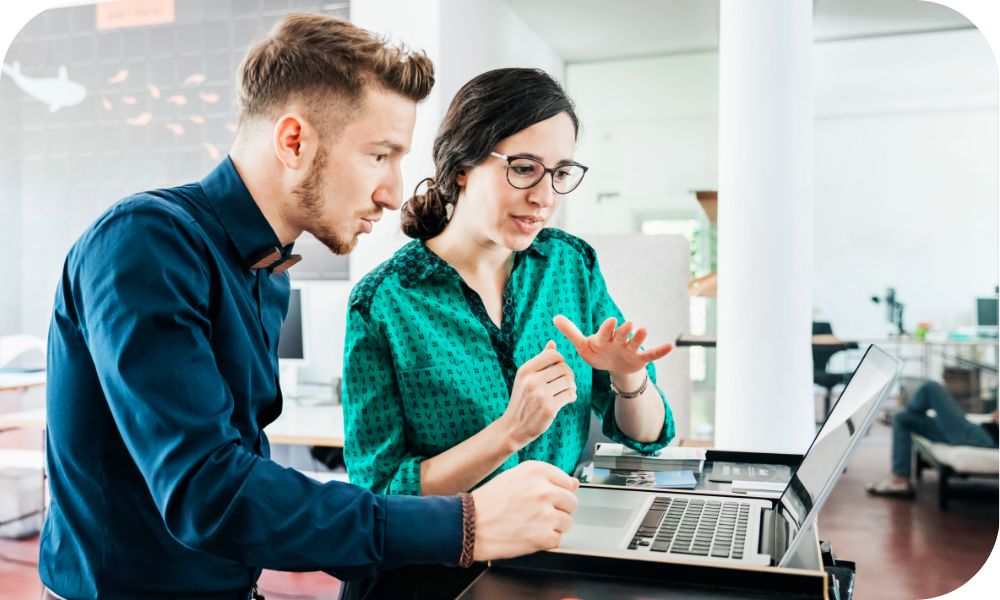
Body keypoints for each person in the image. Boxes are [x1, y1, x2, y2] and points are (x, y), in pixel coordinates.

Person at [40, 14, 579, 600]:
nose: (395, 191)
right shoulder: (144, 242)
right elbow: (207, 490)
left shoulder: (267, 271)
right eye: (381, 155)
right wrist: (465, 524)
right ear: (294, 141)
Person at [342, 68, 676, 502]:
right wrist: (511, 431)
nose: (545, 197)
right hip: (446, 560)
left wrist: (628, 377)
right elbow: (378, 491)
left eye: (560, 173)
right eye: (523, 169)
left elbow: (648, 434)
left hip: (555, 542)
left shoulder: (570, 265)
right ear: (462, 165)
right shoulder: (383, 303)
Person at [866, 380, 998, 497]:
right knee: (902, 419)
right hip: (980, 430)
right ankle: (899, 480)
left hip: (982, 438)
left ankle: (904, 412)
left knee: (931, 387)